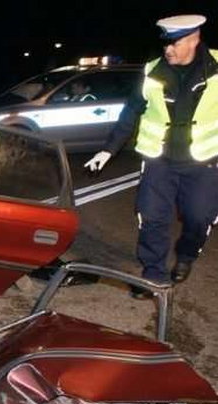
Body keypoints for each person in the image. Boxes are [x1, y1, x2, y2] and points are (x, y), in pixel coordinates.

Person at [84, 14, 218, 298]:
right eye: (165, 44)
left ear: (194, 39)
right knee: (152, 216)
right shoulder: (152, 71)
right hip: (159, 159)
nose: (167, 49)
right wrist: (108, 149)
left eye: (174, 43)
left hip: (204, 160)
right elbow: (131, 111)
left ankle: (186, 255)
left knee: (199, 217)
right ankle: (153, 274)